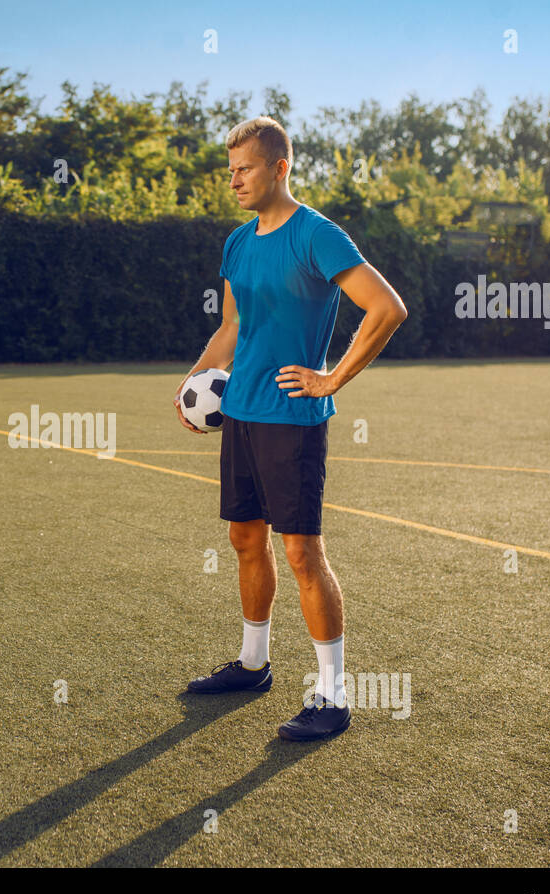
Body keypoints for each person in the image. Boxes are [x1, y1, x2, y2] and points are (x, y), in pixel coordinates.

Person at [174, 116, 408, 741]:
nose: (235, 180)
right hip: (241, 415)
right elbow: (231, 326)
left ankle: (331, 697)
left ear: (280, 167)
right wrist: (194, 383)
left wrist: (332, 378)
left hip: (293, 421)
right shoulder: (238, 242)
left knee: (302, 552)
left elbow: (387, 308)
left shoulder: (318, 235)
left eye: (245, 169)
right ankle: (253, 665)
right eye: (230, 171)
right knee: (244, 540)